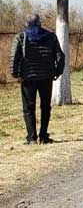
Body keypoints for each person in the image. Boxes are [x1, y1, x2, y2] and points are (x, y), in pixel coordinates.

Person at [10, 14, 65, 145]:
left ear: (27, 23)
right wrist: (57, 72)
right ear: (40, 23)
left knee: (29, 108)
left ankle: (32, 138)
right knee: (45, 107)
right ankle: (44, 136)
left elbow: (14, 56)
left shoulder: (21, 36)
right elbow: (60, 56)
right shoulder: (51, 36)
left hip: (28, 77)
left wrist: (15, 74)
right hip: (46, 77)